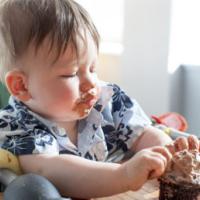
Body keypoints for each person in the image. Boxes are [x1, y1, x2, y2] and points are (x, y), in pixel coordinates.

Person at [0, 0, 198, 199]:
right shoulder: (18, 126)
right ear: (22, 86)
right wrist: (124, 175)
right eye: (71, 74)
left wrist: (166, 154)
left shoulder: (107, 101)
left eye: (93, 68)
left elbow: (144, 134)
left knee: (169, 135)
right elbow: (52, 171)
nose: (91, 83)